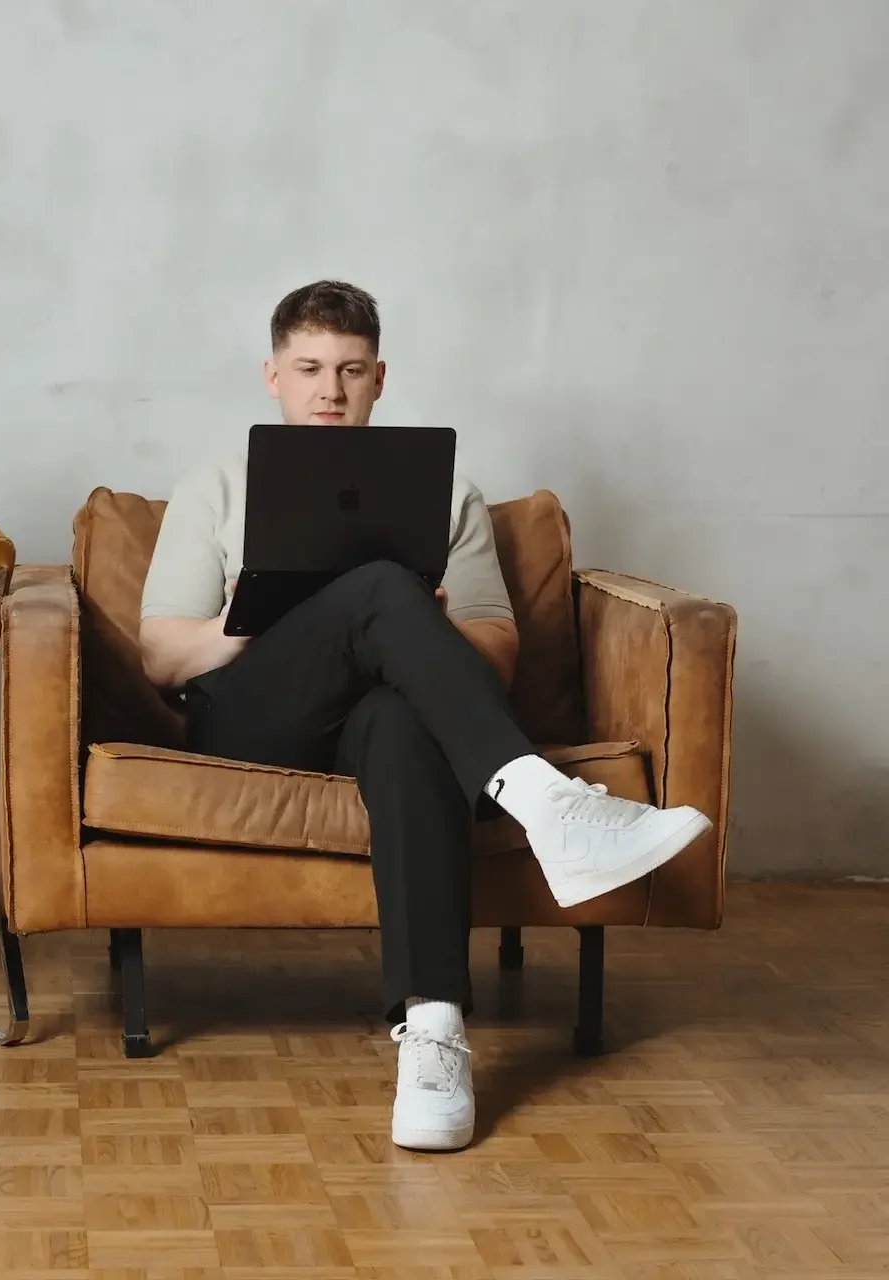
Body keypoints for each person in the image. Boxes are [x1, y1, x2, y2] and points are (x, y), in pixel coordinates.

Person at [137, 280, 710, 1152]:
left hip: (377, 723)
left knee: (405, 723)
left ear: (379, 379)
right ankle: (549, 803)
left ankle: (434, 1031)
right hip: (253, 716)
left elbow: (496, 656)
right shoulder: (215, 485)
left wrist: (420, 625)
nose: (330, 390)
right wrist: (253, 621)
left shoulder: (446, 495)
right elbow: (160, 656)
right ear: (274, 377)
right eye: (309, 369)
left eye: (350, 370)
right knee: (376, 586)